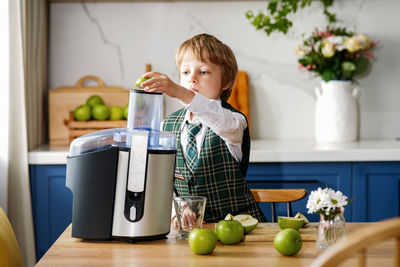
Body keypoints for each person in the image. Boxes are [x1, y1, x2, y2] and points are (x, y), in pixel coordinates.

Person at [139, 33, 264, 223]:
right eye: (186, 72)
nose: (192, 79)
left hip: (239, 231)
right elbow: (163, 177)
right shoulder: (167, 125)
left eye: (203, 72)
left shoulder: (234, 121)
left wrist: (178, 91)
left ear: (227, 82)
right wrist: (178, 206)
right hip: (189, 232)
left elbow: (216, 117)